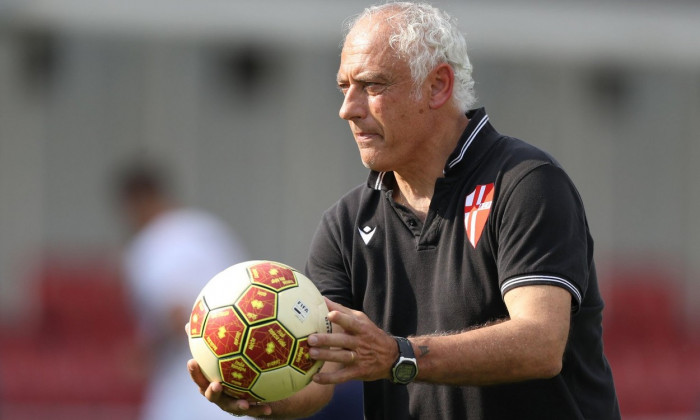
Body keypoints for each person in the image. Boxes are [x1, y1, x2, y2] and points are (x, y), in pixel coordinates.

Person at [188, 2, 620, 418]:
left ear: (437, 86)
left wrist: (401, 356)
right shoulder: (345, 224)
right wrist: (259, 397)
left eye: (372, 86)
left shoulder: (525, 182)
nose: (347, 110)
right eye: (344, 87)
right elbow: (320, 377)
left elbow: (540, 345)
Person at [116, 161, 251, 420]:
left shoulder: (151, 245)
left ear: (134, 203)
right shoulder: (209, 229)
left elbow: (179, 317)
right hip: (242, 370)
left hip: (191, 384)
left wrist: (145, 352)